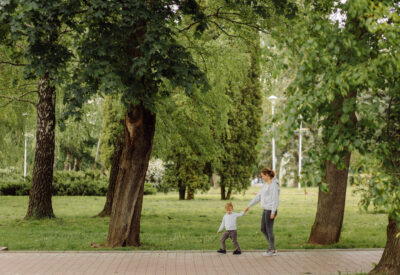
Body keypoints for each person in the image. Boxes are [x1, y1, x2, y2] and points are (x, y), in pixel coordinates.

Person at [245, 168, 280, 256]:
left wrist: (273, 212)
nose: (262, 177)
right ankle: (272, 248)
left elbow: (275, 199)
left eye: (263, 176)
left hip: (270, 210)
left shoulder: (274, 185)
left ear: (267, 175)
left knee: (269, 229)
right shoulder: (265, 185)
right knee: (263, 229)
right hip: (265, 209)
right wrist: (249, 206)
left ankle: (272, 250)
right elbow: (258, 196)